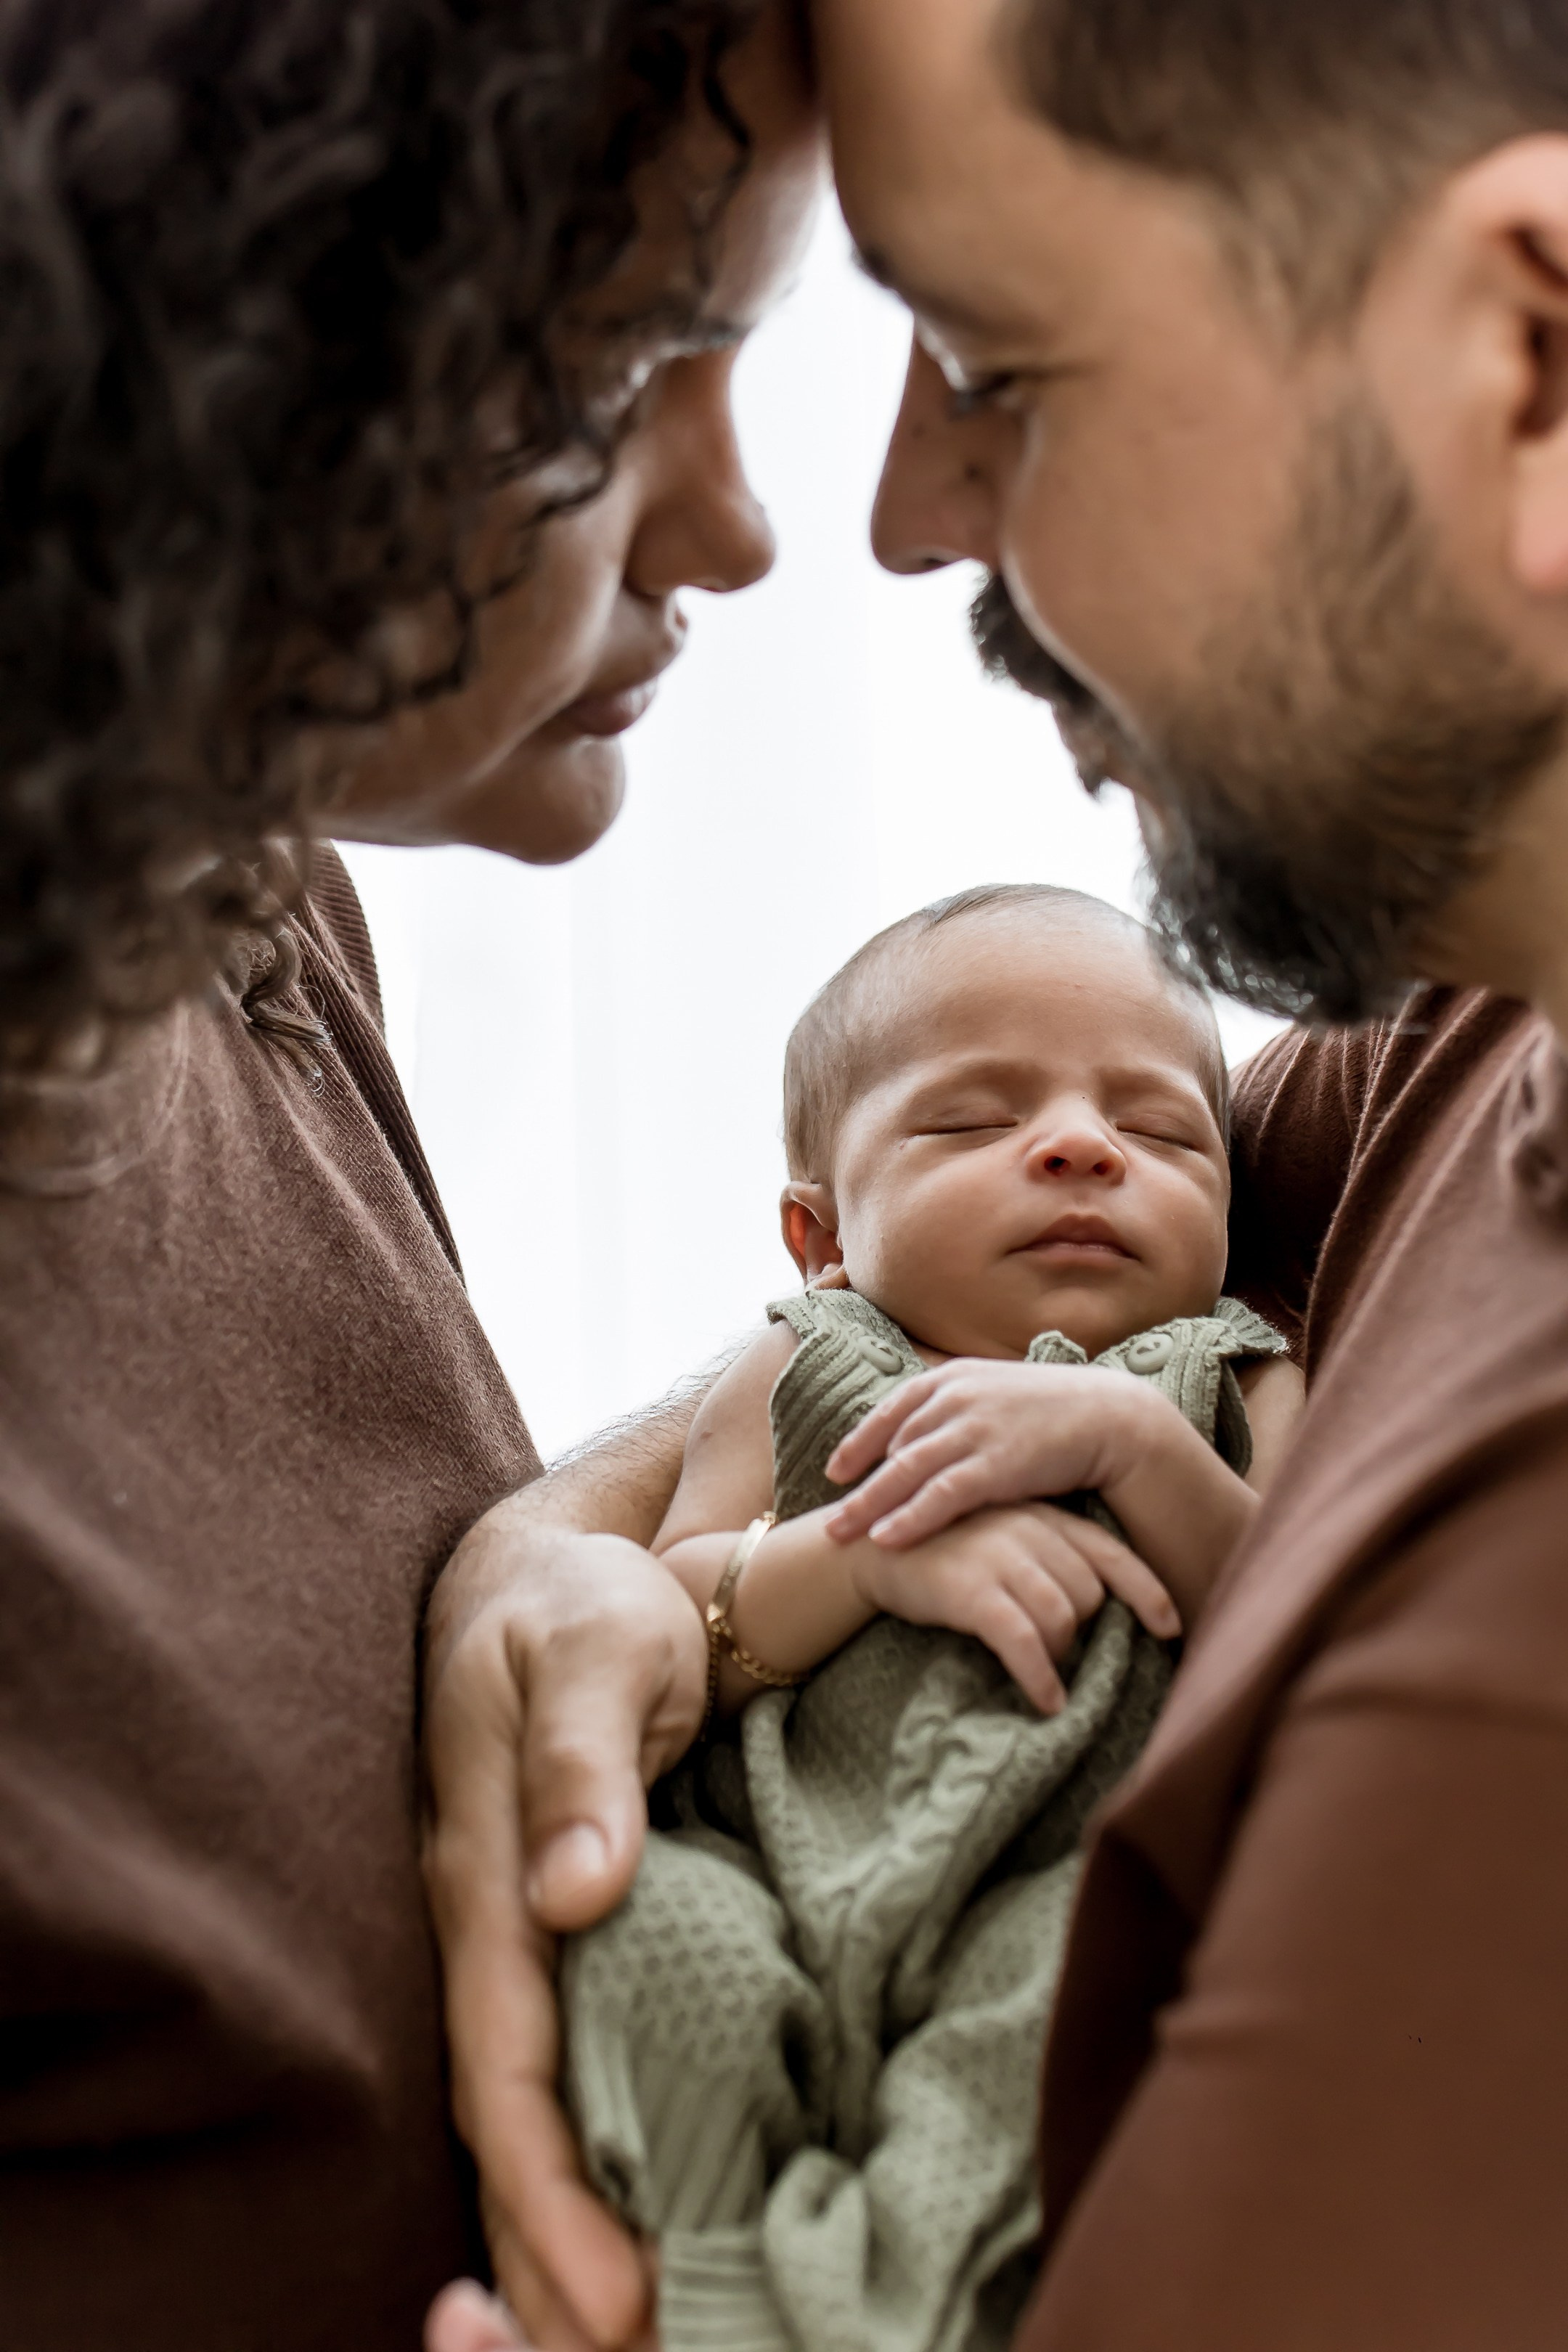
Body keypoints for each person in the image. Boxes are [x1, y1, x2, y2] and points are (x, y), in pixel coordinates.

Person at [425, 1, 1568, 2347]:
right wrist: (550, 1562)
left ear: (1533, 368)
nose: (891, 517)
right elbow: (1001, 1291)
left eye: (999, 367)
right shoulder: (1465, 1025)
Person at [0, 1, 823, 2345]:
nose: (743, 527)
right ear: (200, 371)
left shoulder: (230, 899)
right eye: (603, 387)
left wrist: (564, 1535)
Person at [556, 884, 1299, 2352]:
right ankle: (667, 2290)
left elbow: (1298, 1628)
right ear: (819, 1235)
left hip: (1057, 1887)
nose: (1081, 1146)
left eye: (1161, 1133)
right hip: (764, 1859)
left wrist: (1135, 1448)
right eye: (970, 1122)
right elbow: (670, 1610)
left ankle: (862, 2325)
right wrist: (860, 1556)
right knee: (647, 1936)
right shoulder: (801, 1366)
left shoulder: (1228, 1380)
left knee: (1057, 2022)